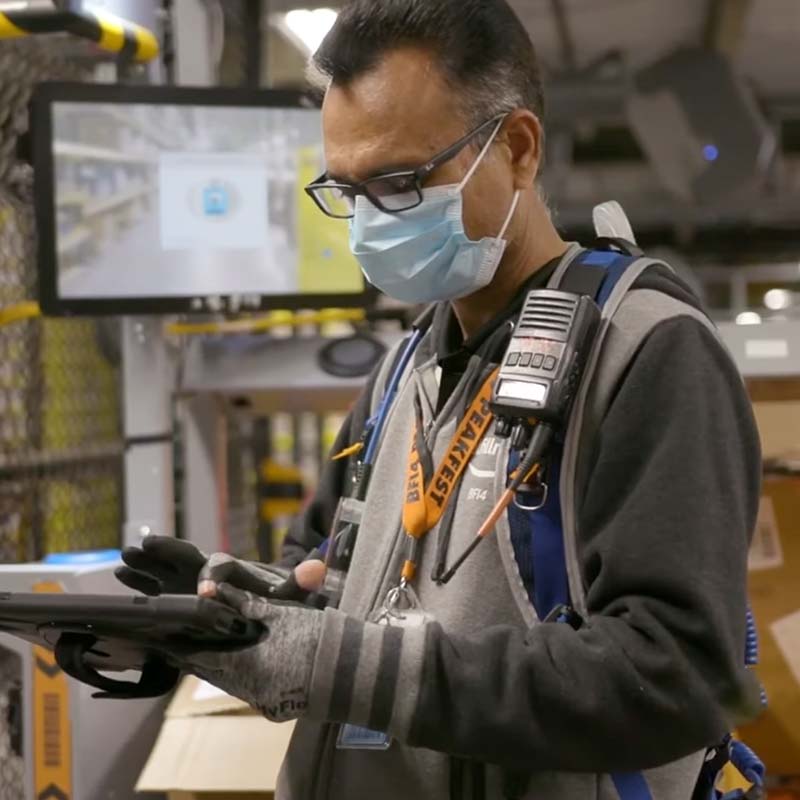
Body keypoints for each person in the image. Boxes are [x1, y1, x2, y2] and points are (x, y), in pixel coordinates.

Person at [118, 1, 764, 797]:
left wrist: (343, 663)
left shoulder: (646, 354)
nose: (370, 223)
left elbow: (677, 676)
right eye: (346, 191)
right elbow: (326, 572)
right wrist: (226, 612)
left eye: (398, 182)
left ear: (519, 149)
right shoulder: (402, 376)